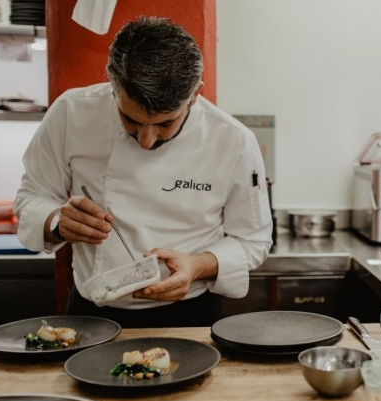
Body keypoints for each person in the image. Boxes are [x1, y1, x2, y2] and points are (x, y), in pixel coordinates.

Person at [14, 17, 273, 328]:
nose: (146, 141)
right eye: (130, 120)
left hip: (189, 314)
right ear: (112, 86)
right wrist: (57, 221)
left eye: (165, 124)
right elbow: (32, 195)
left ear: (194, 95)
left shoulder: (234, 141)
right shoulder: (71, 112)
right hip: (93, 314)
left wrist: (197, 265)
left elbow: (253, 240)